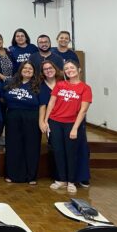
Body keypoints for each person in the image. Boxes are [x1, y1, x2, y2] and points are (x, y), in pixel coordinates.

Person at [39, 60, 91, 188]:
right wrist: (46, 120)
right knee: (58, 151)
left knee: (71, 152)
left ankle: (71, 181)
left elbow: (83, 110)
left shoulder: (85, 88)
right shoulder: (60, 84)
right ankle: (61, 179)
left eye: (71, 67)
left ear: (79, 70)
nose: (69, 70)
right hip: (55, 122)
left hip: (71, 123)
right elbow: (51, 103)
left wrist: (75, 128)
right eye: (66, 68)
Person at [3, 61, 46, 184]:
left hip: (31, 118)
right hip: (13, 117)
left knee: (31, 146)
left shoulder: (39, 85)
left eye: (30, 69)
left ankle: (31, 176)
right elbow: (3, 99)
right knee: (13, 146)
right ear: (20, 70)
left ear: (34, 72)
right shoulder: (11, 83)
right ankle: (12, 174)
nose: (27, 70)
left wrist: (41, 121)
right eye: (25, 68)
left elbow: (42, 105)